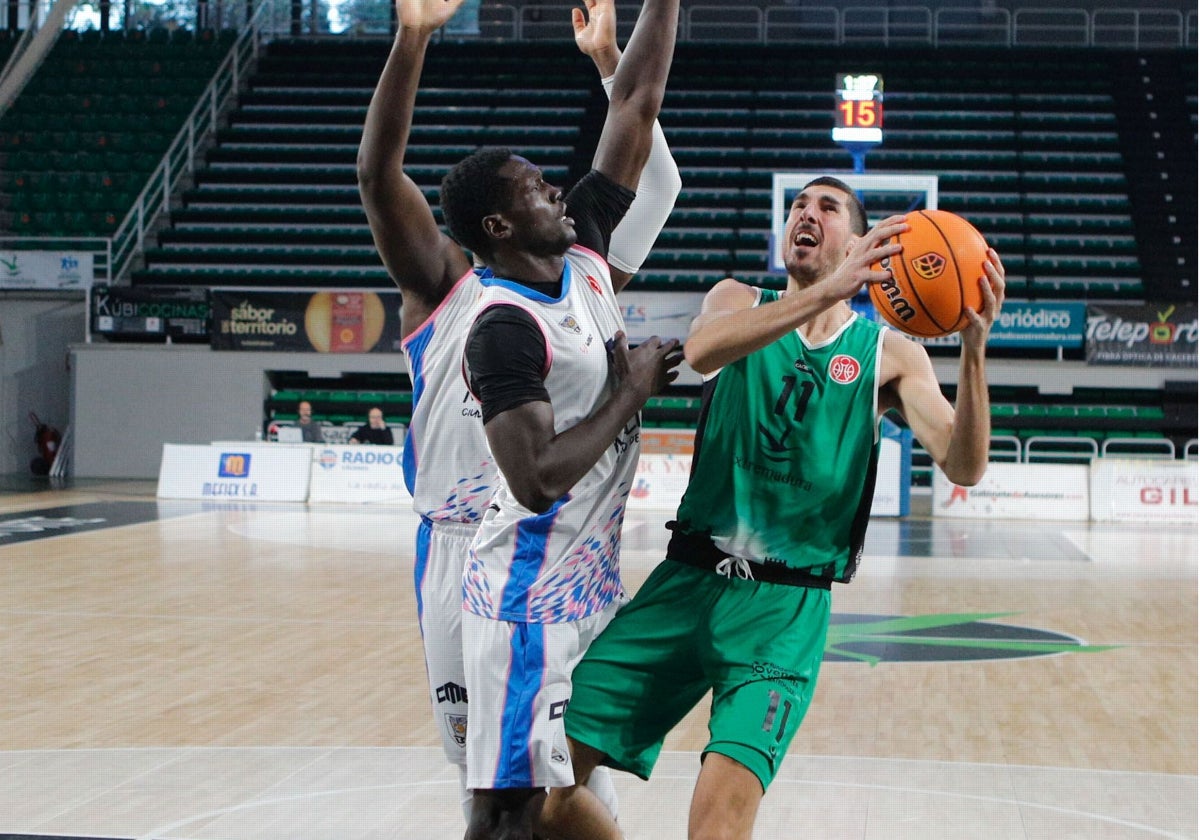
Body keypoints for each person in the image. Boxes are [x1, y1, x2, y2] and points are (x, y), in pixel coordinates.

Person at [541, 176, 1006, 840]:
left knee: (719, 829)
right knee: (545, 787)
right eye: (797, 206)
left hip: (782, 611)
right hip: (686, 582)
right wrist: (825, 291)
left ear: (861, 240)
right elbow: (701, 352)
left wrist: (974, 352)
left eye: (827, 208)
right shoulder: (736, 300)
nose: (805, 216)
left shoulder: (888, 356)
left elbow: (964, 465)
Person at [356, 0, 681, 836]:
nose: (555, 187)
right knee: (501, 791)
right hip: (476, 553)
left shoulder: (584, 256)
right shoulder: (449, 289)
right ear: (496, 224)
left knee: (565, 781)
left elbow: (636, 107)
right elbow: (377, 175)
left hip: (575, 549)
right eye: (535, 184)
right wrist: (414, 38)